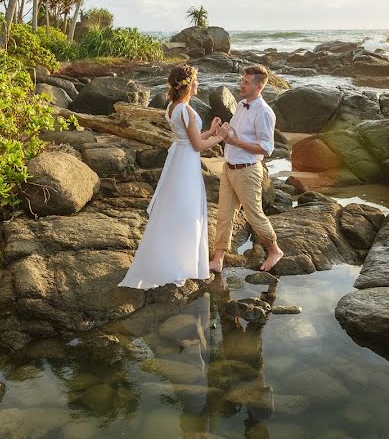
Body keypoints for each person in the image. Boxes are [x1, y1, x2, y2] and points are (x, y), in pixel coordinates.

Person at [119, 65, 229, 289]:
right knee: (186, 211)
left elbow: (190, 137)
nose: (198, 84)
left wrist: (211, 130)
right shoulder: (185, 110)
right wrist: (221, 138)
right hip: (186, 163)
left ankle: (177, 260)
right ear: (188, 85)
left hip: (180, 158)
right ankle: (179, 265)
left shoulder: (173, 107)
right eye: (196, 81)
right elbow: (197, 145)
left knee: (178, 209)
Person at [209, 65, 284, 273]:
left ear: (259, 86)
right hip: (229, 167)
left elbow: (267, 148)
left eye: (246, 82)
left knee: (253, 215)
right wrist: (220, 130)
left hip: (247, 170)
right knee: (224, 214)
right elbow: (234, 134)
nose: (241, 85)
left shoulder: (265, 113)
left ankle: (274, 250)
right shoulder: (241, 104)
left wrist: (237, 141)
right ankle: (218, 260)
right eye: (242, 81)